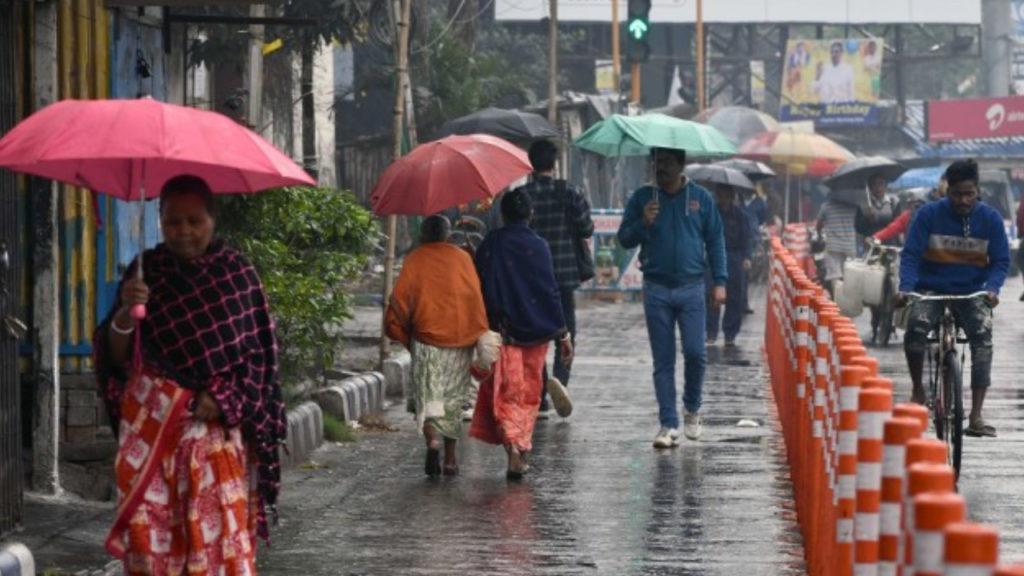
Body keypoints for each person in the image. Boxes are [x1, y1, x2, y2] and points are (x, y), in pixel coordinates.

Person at [92, 175, 285, 574]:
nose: (183, 231)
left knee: (214, 551)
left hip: (213, 440)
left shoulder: (237, 276)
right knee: (150, 551)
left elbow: (260, 360)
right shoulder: (146, 272)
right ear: (160, 221)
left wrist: (223, 399)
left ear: (212, 221)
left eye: (194, 221)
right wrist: (127, 312)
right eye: (173, 221)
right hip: (153, 441)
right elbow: (116, 359)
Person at [617, 147, 726, 449]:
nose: (660, 167)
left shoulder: (701, 198)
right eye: (656, 162)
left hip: (692, 288)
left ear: (681, 165)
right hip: (656, 288)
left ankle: (692, 407)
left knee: (695, 353)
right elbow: (624, 238)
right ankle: (668, 424)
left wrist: (720, 281)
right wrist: (643, 222)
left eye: (666, 162)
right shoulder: (642, 198)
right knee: (663, 360)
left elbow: (715, 240)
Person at [896, 160, 1009, 438]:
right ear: (948, 191)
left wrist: (993, 288)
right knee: (915, 330)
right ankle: (918, 390)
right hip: (930, 290)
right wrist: (906, 287)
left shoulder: (991, 218)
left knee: (983, 341)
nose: (964, 200)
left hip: (971, 292)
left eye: (969, 194)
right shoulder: (927, 214)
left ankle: (976, 415)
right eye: (958, 194)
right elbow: (910, 256)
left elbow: (1000, 262)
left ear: (977, 191)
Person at [470, 189, 574, 479]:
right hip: (535, 336)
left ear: (503, 215)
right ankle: (520, 447)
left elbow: (477, 284)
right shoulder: (539, 246)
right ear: (531, 215)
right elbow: (549, 290)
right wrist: (563, 334)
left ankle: (514, 449)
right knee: (529, 396)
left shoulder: (492, 243)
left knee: (506, 394)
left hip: (503, 333)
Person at [385, 215, 490, 477]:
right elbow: (474, 297)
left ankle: (432, 440)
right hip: (460, 340)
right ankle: (451, 459)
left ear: (422, 236)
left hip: (426, 339)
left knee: (429, 396)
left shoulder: (415, 259)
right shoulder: (463, 258)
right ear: (447, 235)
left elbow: (400, 302)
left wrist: (403, 331)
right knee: (453, 402)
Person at [515, 139, 594, 420]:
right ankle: (560, 382)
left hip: (530, 278)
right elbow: (587, 228)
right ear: (554, 163)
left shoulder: (522, 196)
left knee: (535, 337)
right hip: (563, 275)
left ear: (531, 164)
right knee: (566, 333)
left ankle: (540, 396)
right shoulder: (570, 192)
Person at [706, 184, 752, 347]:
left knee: (735, 296)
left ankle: (730, 333)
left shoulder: (740, 216)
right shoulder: (711, 213)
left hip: (734, 257)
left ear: (731, 196)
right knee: (712, 294)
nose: (723, 198)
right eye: (720, 195)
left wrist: (747, 257)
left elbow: (747, 238)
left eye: (726, 195)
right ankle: (711, 331)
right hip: (714, 256)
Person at [816, 198, 858, 297]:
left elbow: (819, 223)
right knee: (849, 275)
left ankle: (837, 300)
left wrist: (819, 235)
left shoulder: (827, 205)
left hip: (833, 246)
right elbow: (858, 223)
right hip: (849, 246)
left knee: (834, 275)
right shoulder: (853, 206)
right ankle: (849, 300)